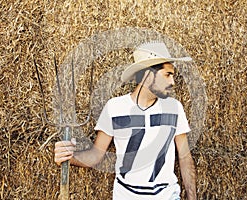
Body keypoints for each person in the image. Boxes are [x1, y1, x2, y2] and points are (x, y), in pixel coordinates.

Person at [54, 42, 197, 200]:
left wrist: (193, 198)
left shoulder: (174, 108)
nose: (172, 82)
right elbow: (96, 155)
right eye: (167, 74)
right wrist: (68, 157)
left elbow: (184, 157)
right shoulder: (115, 107)